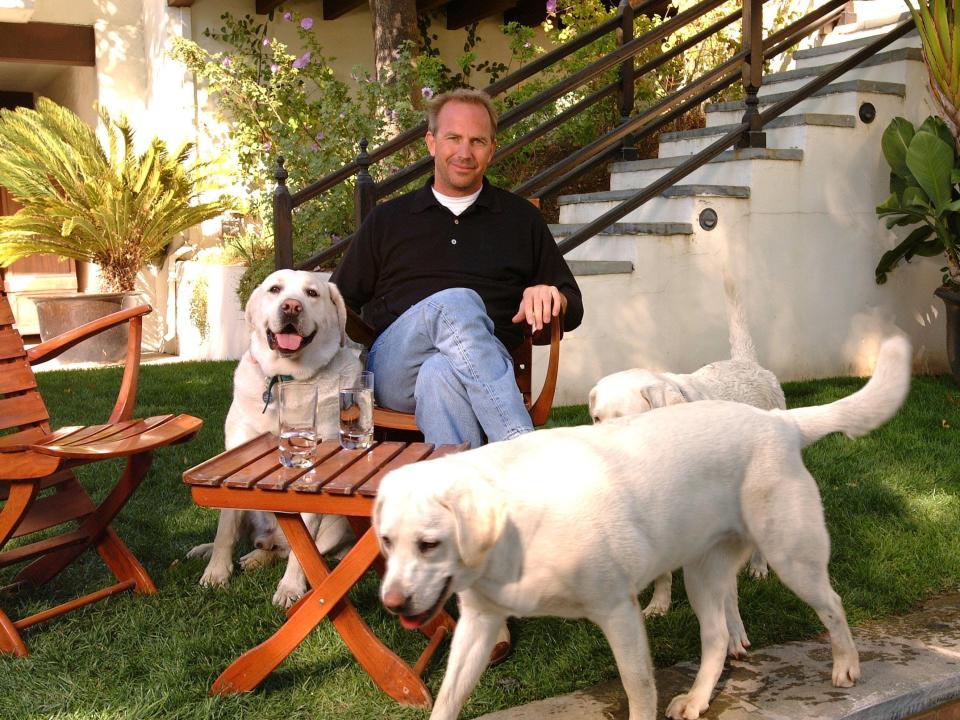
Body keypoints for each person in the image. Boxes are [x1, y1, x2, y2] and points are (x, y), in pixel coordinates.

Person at [331, 87, 584, 449]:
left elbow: (573, 308)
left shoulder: (520, 219)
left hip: (474, 369)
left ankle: (461, 501)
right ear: (432, 143)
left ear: (492, 149)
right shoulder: (388, 219)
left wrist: (552, 294)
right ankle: (521, 449)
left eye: (477, 141)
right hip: (396, 369)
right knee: (456, 303)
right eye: (453, 138)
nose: (465, 153)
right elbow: (339, 302)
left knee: (440, 373)